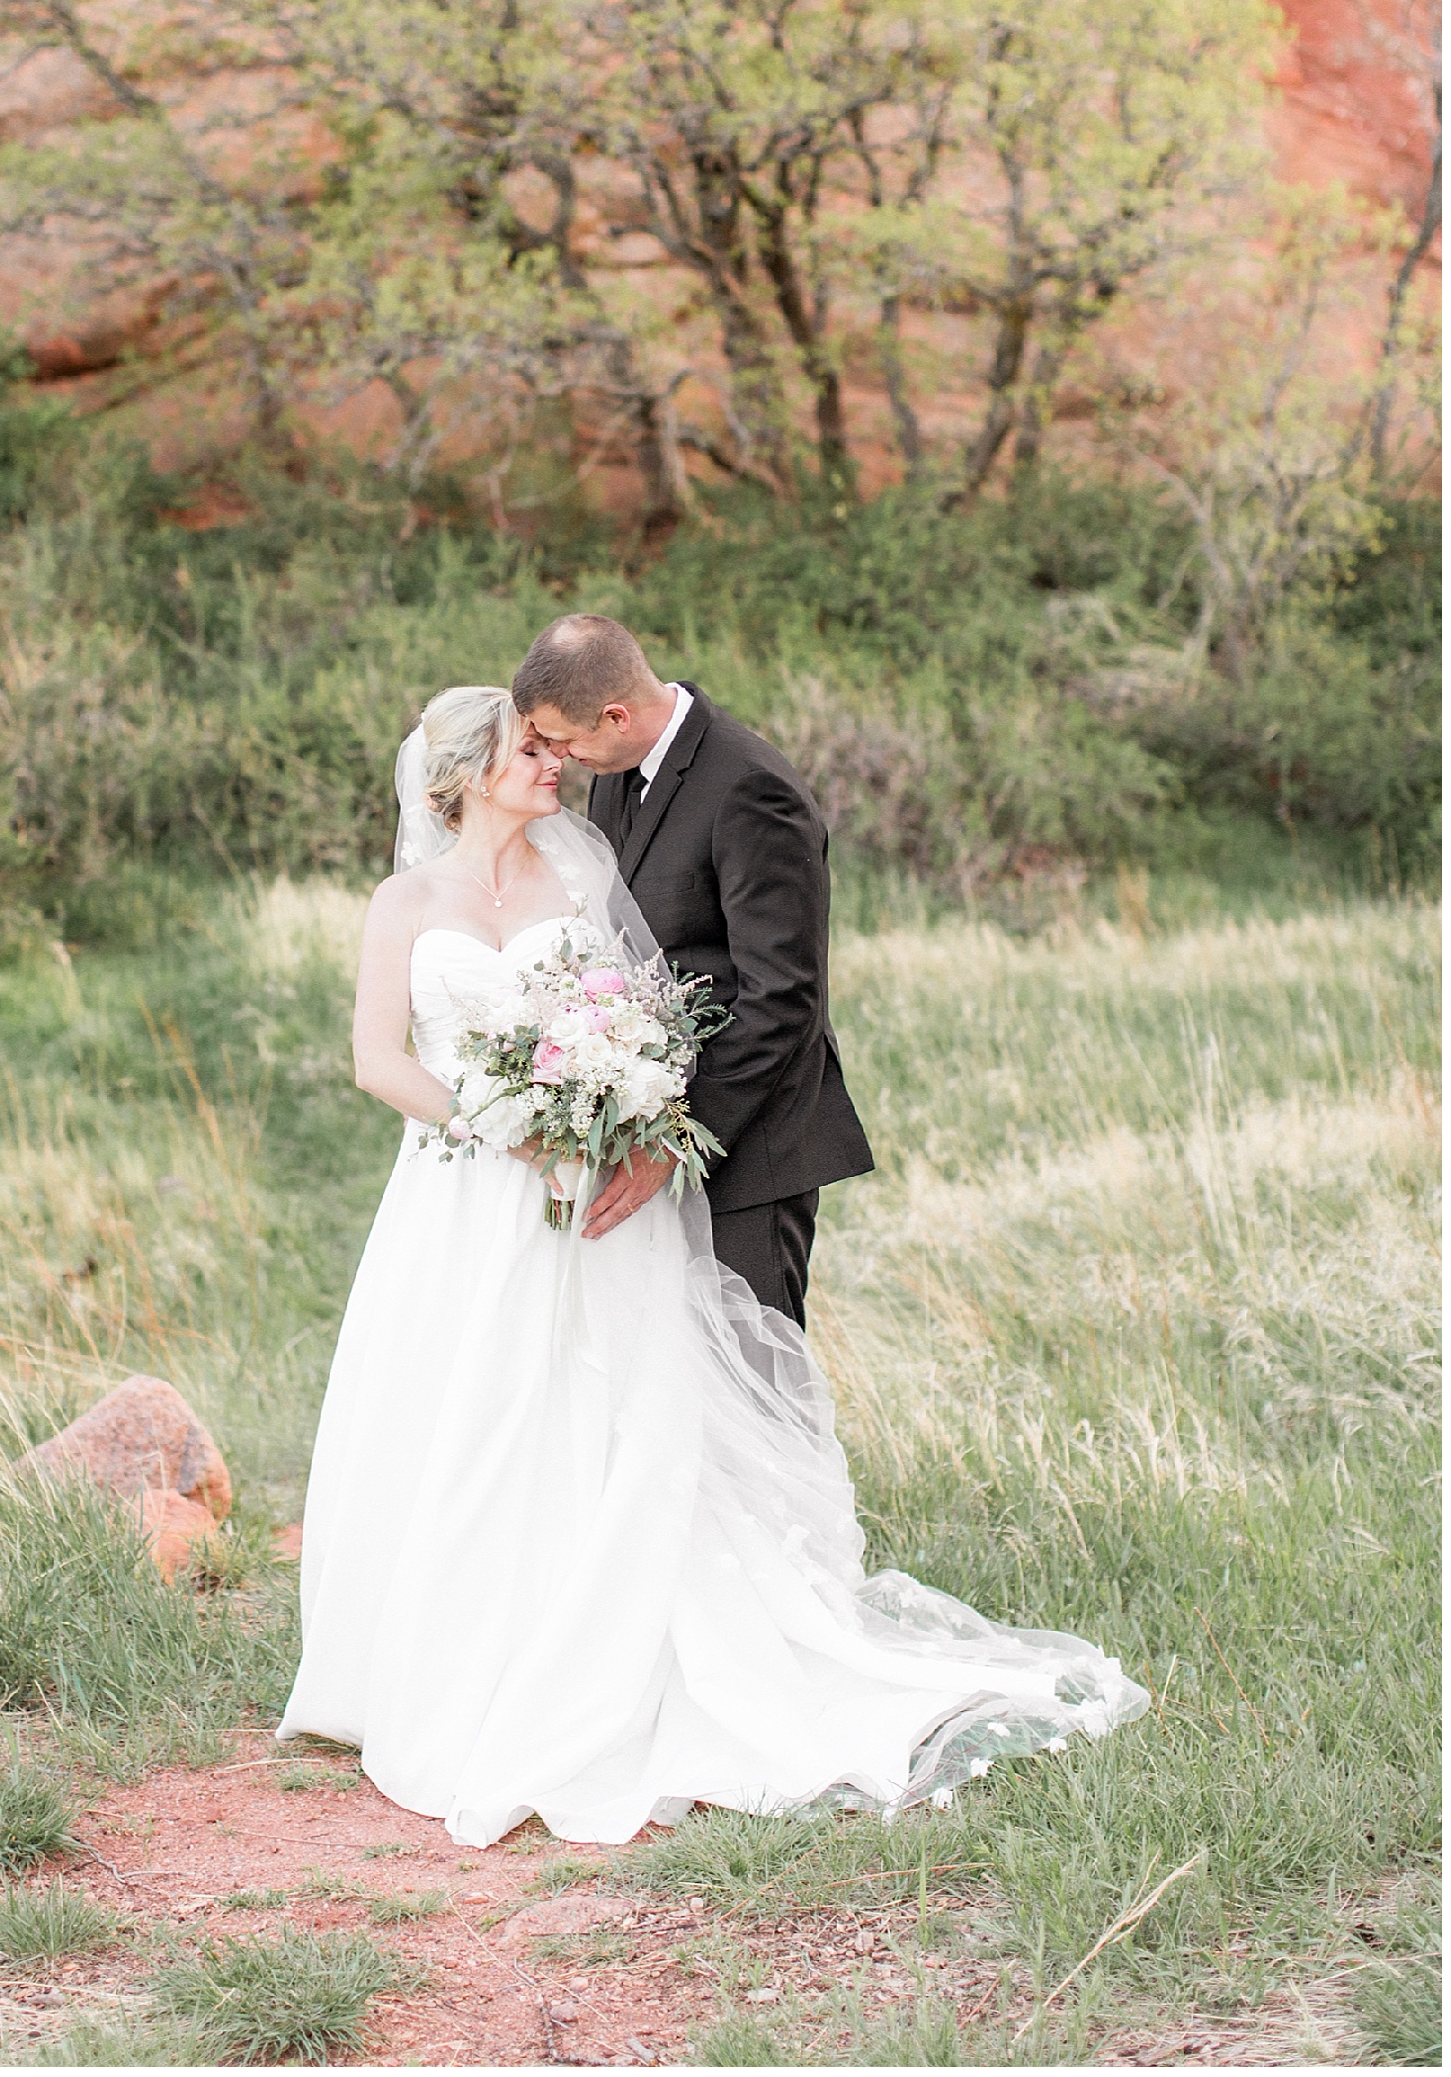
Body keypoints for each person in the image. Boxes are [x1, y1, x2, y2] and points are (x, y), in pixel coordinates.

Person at [275, 685, 1148, 1849]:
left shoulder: (581, 880)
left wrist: (611, 1097)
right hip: (464, 1191)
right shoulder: (407, 901)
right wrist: (502, 1125)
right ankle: (457, 1658)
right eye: (531, 750)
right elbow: (377, 1059)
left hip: (597, 1189)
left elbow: (640, 1012)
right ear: (471, 773)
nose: (555, 763)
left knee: (613, 1406)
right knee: (471, 1413)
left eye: (552, 742)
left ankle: (628, 1644)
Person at [511, 616, 870, 1330]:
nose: (562, 758)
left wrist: (676, 1139)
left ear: (617, 716)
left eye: (567, 740)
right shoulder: (616, 773)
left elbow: (783, 998)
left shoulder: (751, 788)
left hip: (749, 1147)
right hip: (646, 1130)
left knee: (753, 1364)